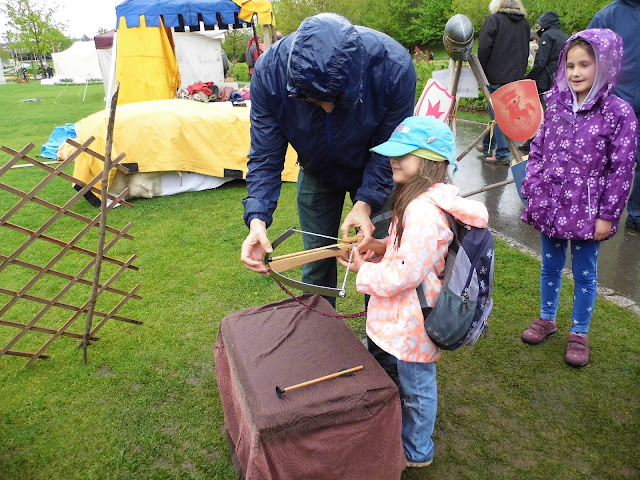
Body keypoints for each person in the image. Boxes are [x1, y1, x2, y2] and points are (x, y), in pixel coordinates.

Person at [240, 13, 416, 378]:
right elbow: (265, 154)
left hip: (375, 167)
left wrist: (365, 204)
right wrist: (257, 220)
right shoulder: (270, 75)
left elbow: (391, 151)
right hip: (316, 172)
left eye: (338, 99)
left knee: (378, 262)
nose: (329, 109)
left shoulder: (393, 66)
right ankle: (321, 350)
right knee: (317, 263)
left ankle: (384, 364)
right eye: (316, 100)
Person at [338, 116, 488, 468]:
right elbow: (413, 249)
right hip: (409, 314)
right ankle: (408, 437)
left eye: (404, 153)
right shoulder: (423, 200)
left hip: (414, 319)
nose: (393, 159)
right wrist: (381, 245)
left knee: (417, 387)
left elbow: (405, 274)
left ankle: (417, 451)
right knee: (413, 382)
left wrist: (365, 271)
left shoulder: (422, 210)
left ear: (430, 161)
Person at [520, 29, 638, 367]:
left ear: (605, 65)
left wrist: (608, 215)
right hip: (552, 206)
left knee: (585, 274)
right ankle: (547, 318)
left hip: (588, 212)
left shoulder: (618, 114)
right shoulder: (555, 105)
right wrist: (533, 189)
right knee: (550, 267)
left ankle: (580, 332)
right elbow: (538, 150)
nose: (575, 73)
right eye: (570, 65)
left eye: (585, 65)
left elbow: (622, 170)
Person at [589, 0, 640, 231]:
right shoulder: (608, 16)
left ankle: (636, 214)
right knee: (605, 162)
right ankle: (594, 213)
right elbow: (586, 58)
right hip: (617, 105)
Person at [476, 0, 530, 165]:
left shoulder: (495, 20)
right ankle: (488, 144)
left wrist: (481, 71)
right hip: (515, 75)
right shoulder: (524, 24)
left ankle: (502, 153)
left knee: (498, 114)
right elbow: (526, 50)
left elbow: (484, 48)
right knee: (499, 112)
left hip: (496, 74)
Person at [519, 11, 568, 152]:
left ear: (545, 24)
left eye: (540, 24)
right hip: (558, 79)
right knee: (553, 112)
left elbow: (541, 62)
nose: (538, 27)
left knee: (540, 112)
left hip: (545, 80)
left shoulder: (548, 36)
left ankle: (536, 142)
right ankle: (549, 141)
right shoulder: (562, 36)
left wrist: (530, 77)